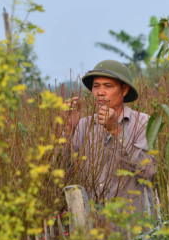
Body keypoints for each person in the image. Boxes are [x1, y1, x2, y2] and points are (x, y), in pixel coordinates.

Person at [64, 59, 156, 213]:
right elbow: (64, 170)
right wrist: (67, 130)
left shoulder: (143, 123)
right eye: (96, 86)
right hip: (96, 224)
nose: (100, 92)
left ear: (124, 90)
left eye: (108, 86)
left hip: (133, 223)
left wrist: (117, 131)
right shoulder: (83, 125)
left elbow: (149, 171)